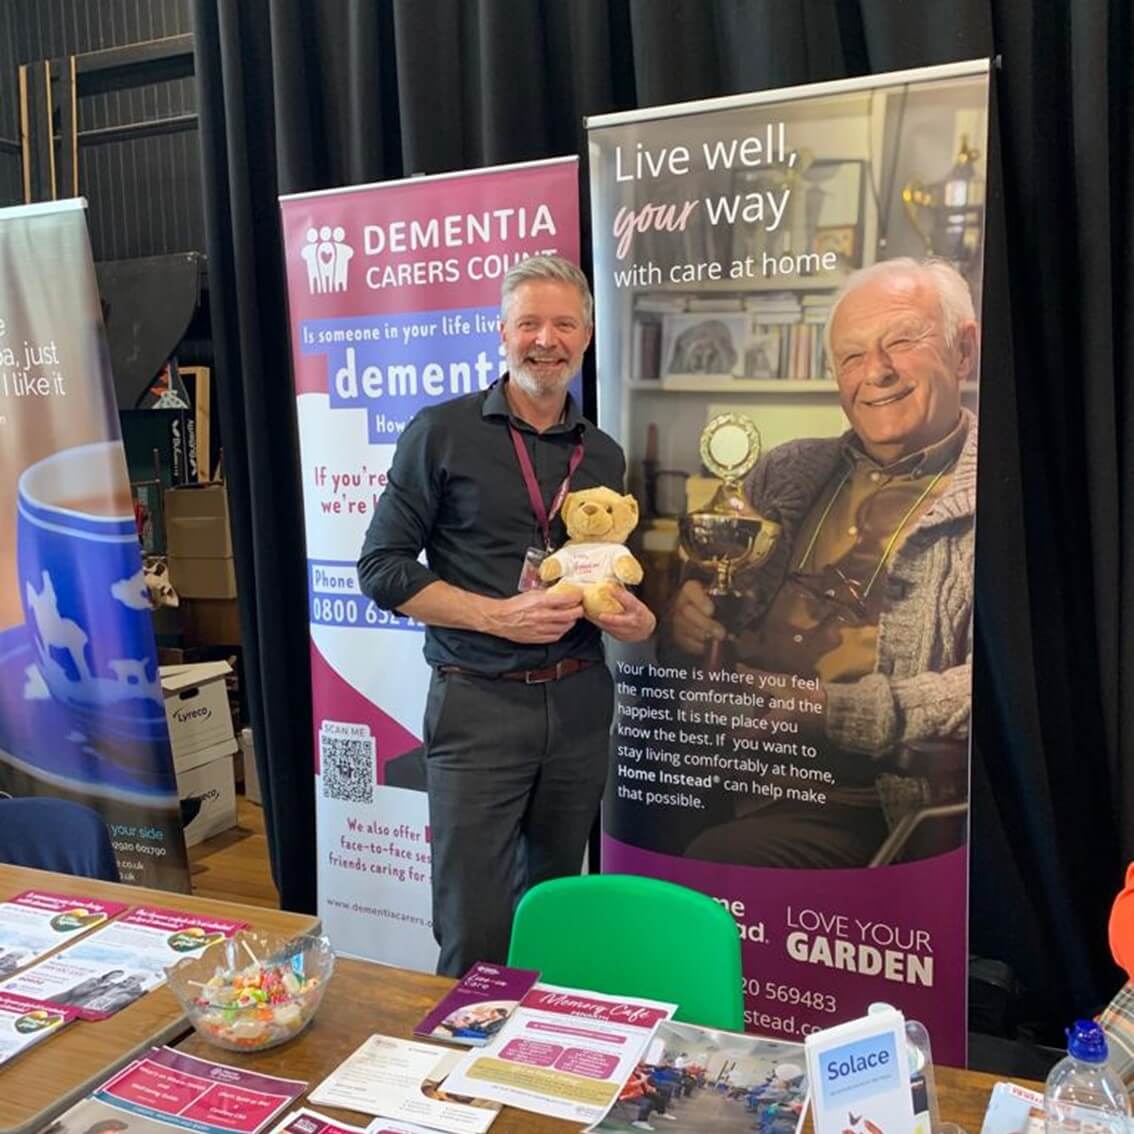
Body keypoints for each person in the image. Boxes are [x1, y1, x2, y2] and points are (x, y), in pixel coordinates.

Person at [358, 254, 655, 976]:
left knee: (554, 915)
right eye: (529, 323)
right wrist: (500, 617)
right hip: (479, 706)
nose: (545, 340)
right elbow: (382, 569)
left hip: (581, 703)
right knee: (477, 929)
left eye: (563, 324)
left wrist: (636, 621)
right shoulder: (443, 432)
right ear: (501, 333)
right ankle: (458, 1082)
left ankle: (537, 1076)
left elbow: (608, 574)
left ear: (586, 336)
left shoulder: (604, 455)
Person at [666, 257, 978, 868]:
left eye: (902, 342)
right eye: (852, 357)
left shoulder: (1003, 492)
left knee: (716, 859)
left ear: (963, 351)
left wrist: (830, 711)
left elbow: (998, 687)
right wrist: (686, 621)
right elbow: (708, 603)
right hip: (728, 765)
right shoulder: (786, 471)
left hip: (871, 801)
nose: (877, 373)